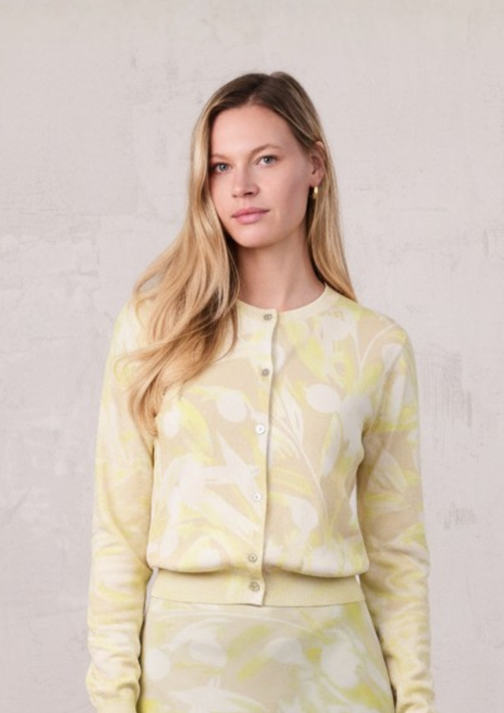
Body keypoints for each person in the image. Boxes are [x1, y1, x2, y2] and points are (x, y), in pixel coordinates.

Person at [86, 71, 437, 713]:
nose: (240, 186)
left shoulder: (376, 347)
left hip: (337, 678)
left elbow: (397, 556)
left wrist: (415, 702)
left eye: (266, 160)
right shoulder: (153, 329)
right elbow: (118, 535)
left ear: (315, 166)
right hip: (183, 675)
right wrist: (111, 699)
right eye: (220, 166)